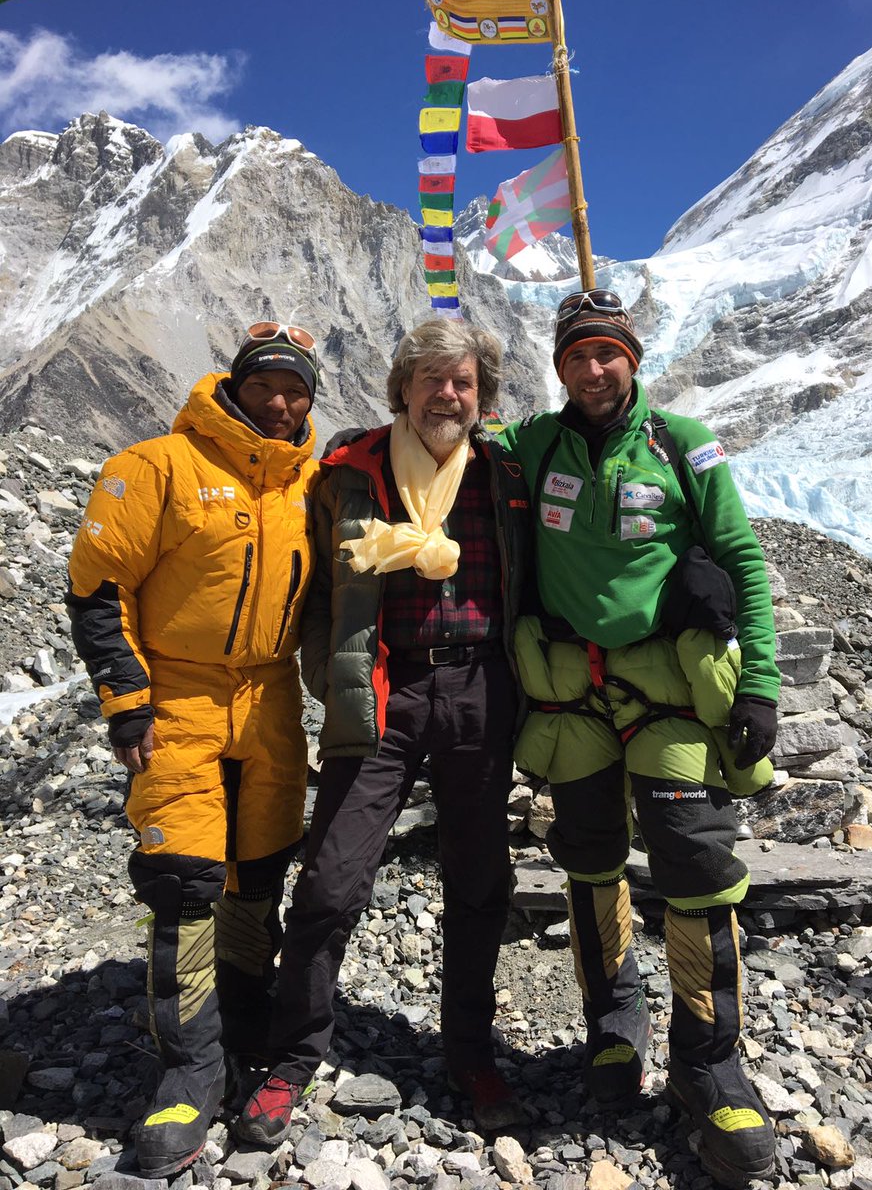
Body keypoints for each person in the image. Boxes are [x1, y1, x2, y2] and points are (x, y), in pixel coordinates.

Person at [500, 289, 780, 1189]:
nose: (591, 370)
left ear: (632, 357)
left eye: (605, 354)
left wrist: (763, 684)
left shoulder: (683, 444)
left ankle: (710, 1058)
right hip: (572, 695)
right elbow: (444, 443)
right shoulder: (531, 446)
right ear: (558, 369)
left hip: (665, 695)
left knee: (696, 863)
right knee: (588, 860)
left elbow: (741, 559)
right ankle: (615, 1026)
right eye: (575, 356)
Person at [236, 316, 531, 1143]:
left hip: (481, 686)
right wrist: (331, 672)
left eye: (464, 381)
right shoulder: (349, 469)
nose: (448, 394)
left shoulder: (506, 469)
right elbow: (321, 590)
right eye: (432, 378)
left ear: (483, 394)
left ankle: (469, 1048)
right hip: (384, 687)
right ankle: (294, 1055)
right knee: (331, 879)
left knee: (479, 881)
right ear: (401, 385)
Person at [66, 322, 320, 1177]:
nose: (280, 403)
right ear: (234, 386)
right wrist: (126, 700)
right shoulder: (157, 465)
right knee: (184, 880)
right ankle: (188, 1067)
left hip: (272, 697)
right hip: (178, 697)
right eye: (266, 386)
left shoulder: (311, 482)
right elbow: (99, 586)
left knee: (261, 865)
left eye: (296, 391)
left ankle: (240, 1017)